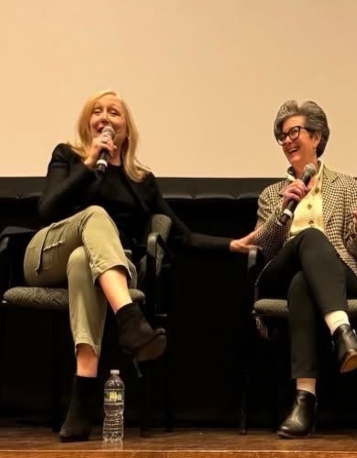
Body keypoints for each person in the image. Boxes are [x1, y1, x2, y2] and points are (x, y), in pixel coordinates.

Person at [24, 89, 253, 442]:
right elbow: (46, 210)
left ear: (126, 129)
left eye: (114, 112)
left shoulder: (141, 181)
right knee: (92, 222)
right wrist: (89, 166)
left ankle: (82, 395)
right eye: (96, 112)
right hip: (47, 253)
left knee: (84, 260)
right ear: (88, 124)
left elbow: (183, 236)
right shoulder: (68, 156)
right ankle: (130, 320)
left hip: (101, 267)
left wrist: (231, 244)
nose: (104, 117)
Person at [249, 99, 357, 438]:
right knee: (308, 237)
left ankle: (305, 399)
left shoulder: (346, 185)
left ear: (317, 137)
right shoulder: (271, 194)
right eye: (282, 136)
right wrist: (282, 209)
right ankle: (342, 332)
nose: (288, 140)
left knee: (303, 284)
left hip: (336, 276)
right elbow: (266, 247)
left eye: (295, 132)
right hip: (280, 270)